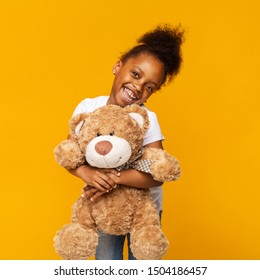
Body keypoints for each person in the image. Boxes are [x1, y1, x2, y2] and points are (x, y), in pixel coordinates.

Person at [67, 24, 184, 260]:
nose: (138, 87)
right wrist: (85, 172)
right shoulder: (88, 107)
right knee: (107, 261)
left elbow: (156, 176)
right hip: (105, 205)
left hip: (144, 210)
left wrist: (113, 177)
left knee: (141, 261)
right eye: (136, 74)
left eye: (149, 87)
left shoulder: (147, 119)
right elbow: (69, 154)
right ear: (118, 66)